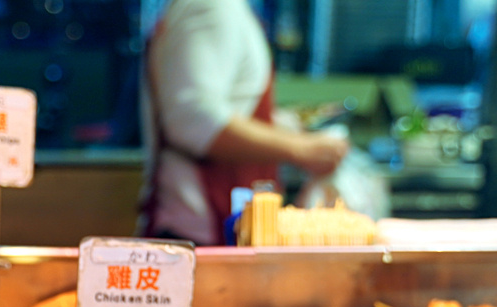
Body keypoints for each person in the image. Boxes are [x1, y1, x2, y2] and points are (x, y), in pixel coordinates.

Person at [138, 0, 348, 246]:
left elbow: (225, 108)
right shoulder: (211, 7)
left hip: (215, 228)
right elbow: (194, 121)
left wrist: (285, 127)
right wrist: (302, 149)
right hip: (202, 231)